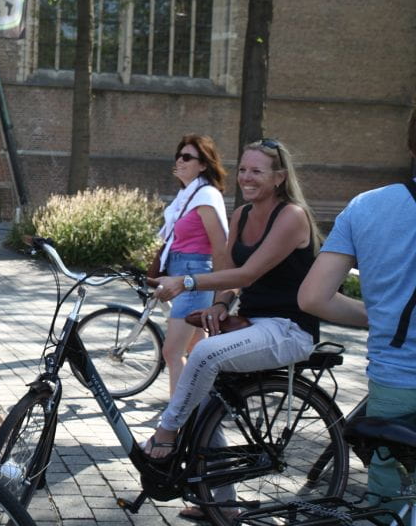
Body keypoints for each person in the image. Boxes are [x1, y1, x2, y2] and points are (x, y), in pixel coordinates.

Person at [149, 139, 321, 521]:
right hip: (253, 322)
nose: (246, 177)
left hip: (289, 328)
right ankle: (222, 503)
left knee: (202, 354)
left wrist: (187, 282)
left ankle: (165, 433)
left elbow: (248, 272)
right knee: (202, 398)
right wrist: (221, 304)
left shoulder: (292, 216)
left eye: (256, 171)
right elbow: (233, 279)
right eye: (242, 169)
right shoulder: (242, 215)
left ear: (278, 177)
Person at [298, 106, 416, 516]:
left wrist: (381, 316)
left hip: (393, 381)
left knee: (387, 504)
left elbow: (313, 297)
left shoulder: (366, 207)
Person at [157, 135, 229, 394]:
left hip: (194, 279)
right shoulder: (186, 195)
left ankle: (176, 418)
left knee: (172, 351)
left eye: (187, 156)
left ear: (203, 165)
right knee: (196, 349)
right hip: (181, 276)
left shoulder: (206, 196)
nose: (180, 160)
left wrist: (222, 292)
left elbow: (220, 247)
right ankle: (205, 402)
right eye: (179, 154)